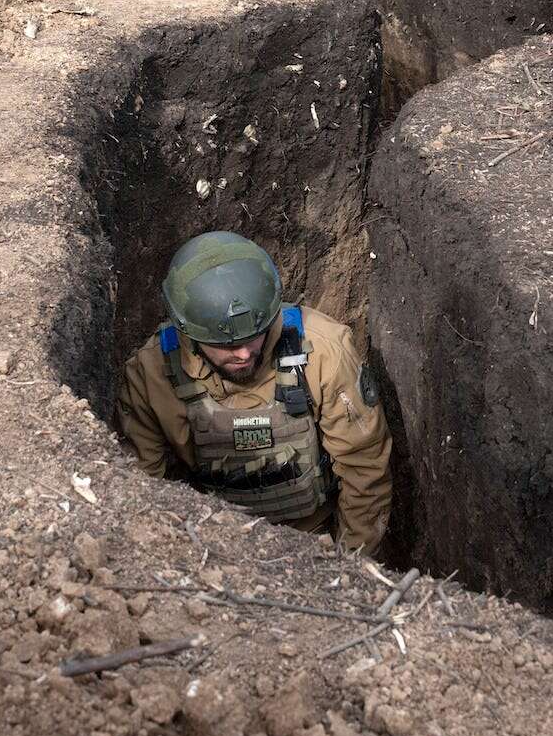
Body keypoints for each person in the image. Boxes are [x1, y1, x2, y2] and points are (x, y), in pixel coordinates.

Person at [119, 232, 393, 552]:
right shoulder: (152, 373)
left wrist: (350, 568)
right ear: (188, 333)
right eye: (227, 345)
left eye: (254, 336)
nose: (245, 354)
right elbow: (140, 488)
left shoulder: (324, 352)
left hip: (313, 541)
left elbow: (364, 470)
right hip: (212, 547)